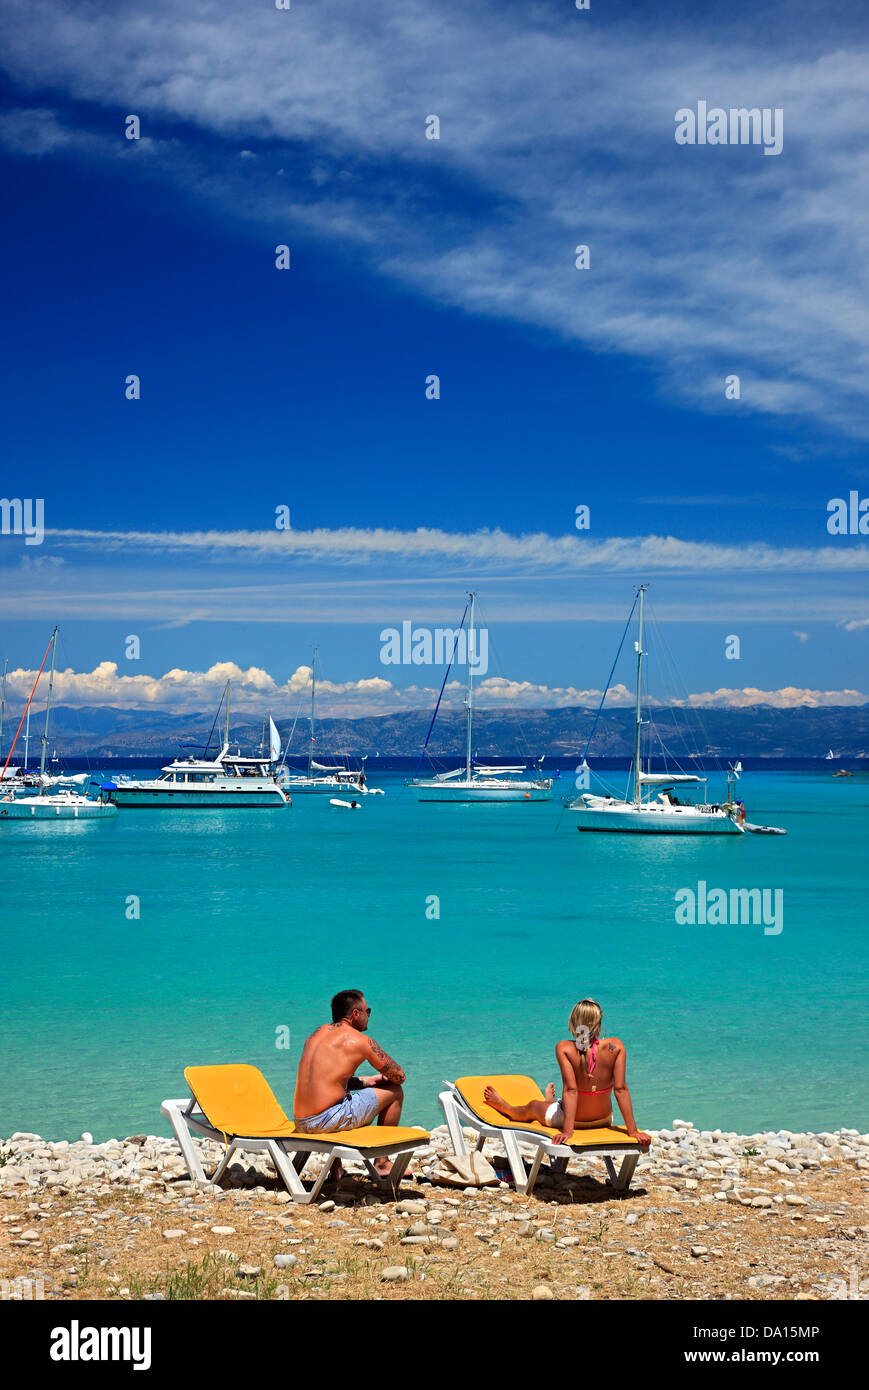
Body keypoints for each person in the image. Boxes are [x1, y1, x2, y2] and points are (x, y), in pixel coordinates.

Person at [483, 997, 651, 1150]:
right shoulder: (616, 1046)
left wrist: (568, 1131)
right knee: (553, 1106)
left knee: (532, 1107)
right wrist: (633, 1131)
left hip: (571, 1120)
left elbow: (572, 1090)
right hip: (604, 1119)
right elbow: (620, 1090)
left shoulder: (565, 1048)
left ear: (574, 1024)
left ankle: (506, 1107)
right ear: (599, 1025)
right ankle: (550, 1102)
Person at [293, 988, 406, 1176]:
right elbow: (399, 1076)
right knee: (394, 1091)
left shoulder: (317, 1034)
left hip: (301, 1121)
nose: (369, 1016)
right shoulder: (361, 1041)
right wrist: (386, 1079)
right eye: (367, 1011)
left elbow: (326, 1081)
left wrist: (365, 1081)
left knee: (339, 1099)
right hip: (325, 1122)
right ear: (355, 1013)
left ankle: (336, 1170)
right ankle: (382, 1163)